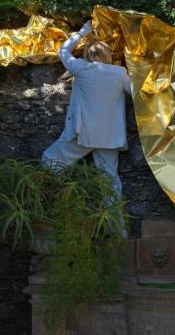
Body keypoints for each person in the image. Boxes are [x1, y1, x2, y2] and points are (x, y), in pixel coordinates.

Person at [42, 20, 131, 218]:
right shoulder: (120, 73)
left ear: (88, 55)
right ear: (107, 55)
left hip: (84, 133)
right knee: (110, 183)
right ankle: (118, 228)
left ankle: (46, 205)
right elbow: (137, 93)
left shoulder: (81, 68)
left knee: (49, 161)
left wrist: (82, 32)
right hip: (110, 137)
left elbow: (63, 51)